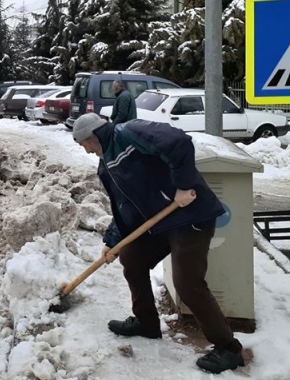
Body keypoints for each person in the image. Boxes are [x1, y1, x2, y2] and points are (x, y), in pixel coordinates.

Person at [72, 113, 244, 374]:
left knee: (188, 283)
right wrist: (112, 242)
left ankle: (228, 348)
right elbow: (125, 208)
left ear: (91, 136)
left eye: (82, 143)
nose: (83, 149)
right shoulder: (105, 166)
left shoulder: (128, 133)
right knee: (132, 259)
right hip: (160, 225)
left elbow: (178, 142)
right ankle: (146, 322)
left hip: (189, 215)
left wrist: (183, 185)